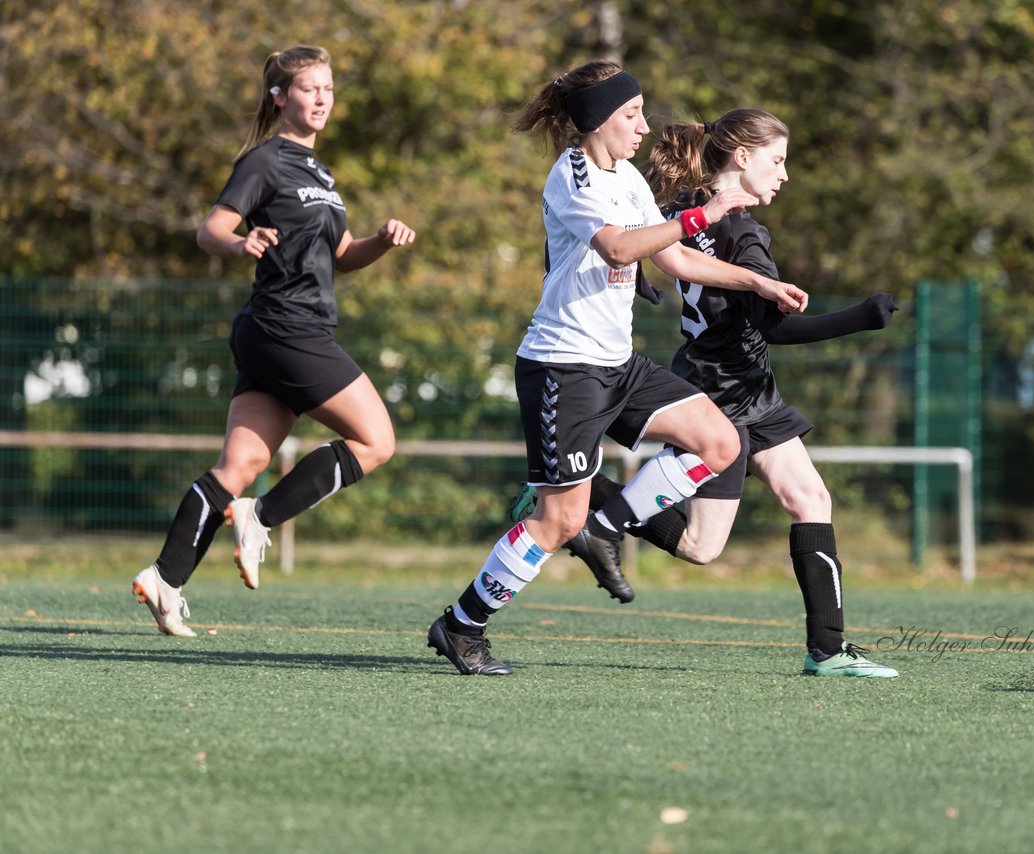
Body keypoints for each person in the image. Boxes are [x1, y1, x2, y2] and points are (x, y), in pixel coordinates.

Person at [425, 62, 808, 676]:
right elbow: (620, 247)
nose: (643, 126)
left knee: (720, 441)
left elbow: (676, 260)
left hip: (617, 364)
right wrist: (707, 213)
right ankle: (462, 624)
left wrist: (759, 281)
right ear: (598, 118)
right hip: (563, 369)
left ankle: (607, 525)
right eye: (632, 114)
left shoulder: (626, 174)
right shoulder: (573, 176)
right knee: (557, 521)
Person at [513, 108, 900, 677]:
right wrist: (861, 317)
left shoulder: (682, 211)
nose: (784, 175)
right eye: (778, 161)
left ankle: (828, 649)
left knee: (810, 499)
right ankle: (579, 494)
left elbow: (652, 254)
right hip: (721, 398)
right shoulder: (741, 231)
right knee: (701, 547)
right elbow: (775, 327)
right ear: (742, 158)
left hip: (749, 391)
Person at [131, 45, 415, 637]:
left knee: (242, 462)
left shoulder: (321, 173)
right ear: (279, 97)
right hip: (286, 327)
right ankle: (260, 517)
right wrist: (240, 245)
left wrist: (382, 242)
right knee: (377, 440)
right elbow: (212, 229)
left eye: (329, 89)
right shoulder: (264, 162)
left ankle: (165, 577)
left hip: (278, 332)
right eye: (310, 88)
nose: (321, 98)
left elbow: (340, 254)